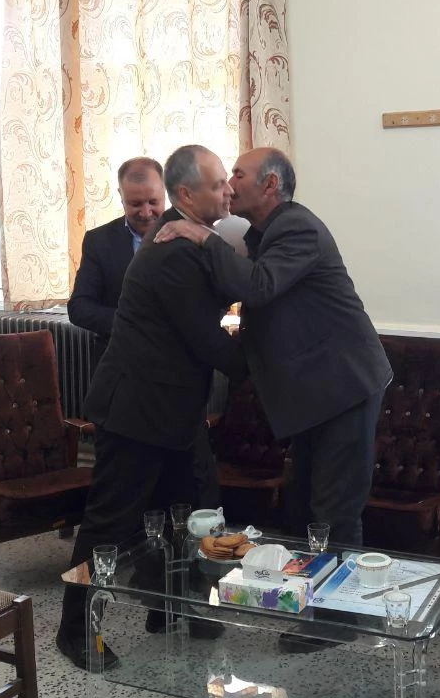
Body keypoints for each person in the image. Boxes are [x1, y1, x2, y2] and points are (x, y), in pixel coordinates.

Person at [55, 144, 248, 671]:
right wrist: (264, 367)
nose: (228, 191)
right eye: (217, 185)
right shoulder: (172, 251)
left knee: (187, 512)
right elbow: (207, 339)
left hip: (175, 412)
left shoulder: (188, 238)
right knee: (109, 525)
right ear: (188, 194)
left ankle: (171, 608)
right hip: (136, 412)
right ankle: (75, 630)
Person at [154, 148, 392, 552]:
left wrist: (203, 236)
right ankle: (307, 588)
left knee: (334, 514)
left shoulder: (298, 227)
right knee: (302, 507)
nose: (229, 185)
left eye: (238, 175)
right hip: (315, 395)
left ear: (270, 184)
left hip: (344, 388)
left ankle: (342, 594)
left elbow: (258, 286)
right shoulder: (261, 234)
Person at [68, 156, 166, 361]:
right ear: (121, 196)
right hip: (118, 362)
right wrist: (133, 323)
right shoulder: (99, 241)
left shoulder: (190, 234)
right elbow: (79, 307)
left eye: (153, 202)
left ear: (165, 191)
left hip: (177, 364)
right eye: (135, 204)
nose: (146, 212)